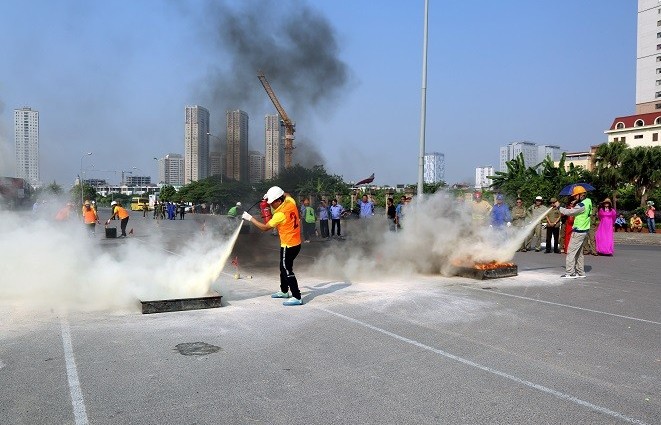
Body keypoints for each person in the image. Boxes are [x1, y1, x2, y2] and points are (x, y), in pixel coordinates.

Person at [241, 186, 303, 306]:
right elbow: (287, 194)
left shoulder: (280, 214)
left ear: (279, 201)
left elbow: (265, 228)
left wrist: (250, 218)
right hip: (296, 243)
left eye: (272, 203)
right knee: (282, 267)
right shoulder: (291, 202)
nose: (270, 205)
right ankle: (284, 291)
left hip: (288, 245)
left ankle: (297, 296)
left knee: (286, 269)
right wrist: (269, 196)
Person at [555, 185, 593, 278]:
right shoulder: (588, 201)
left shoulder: (581, 205)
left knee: (571, 252)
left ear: (581, 195)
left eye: (576, 196)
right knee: (579, 253)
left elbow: (569, 212)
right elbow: (580, 208)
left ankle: (570, 272)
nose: (574, 197)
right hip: (584, 231)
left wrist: (558, 206)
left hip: (578, 231)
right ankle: (581, 272)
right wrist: (576, 202)